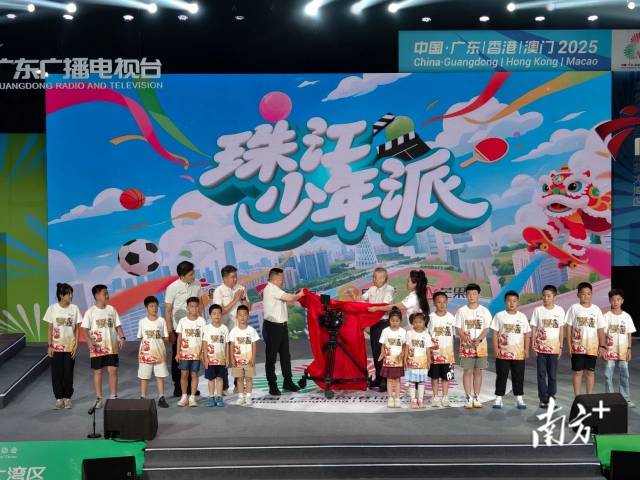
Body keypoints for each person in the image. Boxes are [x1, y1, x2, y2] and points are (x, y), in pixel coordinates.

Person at [164, 261, 207, 397]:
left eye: (193, 273)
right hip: (179, 329)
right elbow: (168, 310)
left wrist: (203, 323)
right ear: (182, 276)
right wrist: (169, 330)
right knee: (179, 358)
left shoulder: (197, 284)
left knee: (194, 355)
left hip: (195, 328)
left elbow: (201, 305)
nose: (193, 276)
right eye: (190, 274)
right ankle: (178, 386)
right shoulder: (172, 288)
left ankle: (191, 387)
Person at [351, 267, 395, 391]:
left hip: (384, 325)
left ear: (384, 278)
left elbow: (385, 305)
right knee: (376, 352)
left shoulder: (389, 289)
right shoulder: (371, 289)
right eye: (373, 277)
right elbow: (362, 300)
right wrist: (355, 297)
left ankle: (386, 380)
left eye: (377, 277)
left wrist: (374, 308)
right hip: (374, 324)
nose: (374, 279)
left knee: (384, 353)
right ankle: (379, 378)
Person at [262, 267, 304, 396]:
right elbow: (290, 298)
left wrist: (297, 299)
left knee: (285, 356)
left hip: (282, 326)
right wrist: (300, 295)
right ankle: (272, 385)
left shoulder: (276, 290)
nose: (283, 280)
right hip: (272, 327)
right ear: (275, 278)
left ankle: (288, 382)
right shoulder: (271, 289)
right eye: (282, 278)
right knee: (271, 357)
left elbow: (288, 301)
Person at [81, 284, 125, 408]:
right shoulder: (90, 312)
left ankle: (113, 396)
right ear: (97, 295)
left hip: (111, 346)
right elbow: (85, 329)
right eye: (104, 293)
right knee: (98, 372)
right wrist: (89, 340)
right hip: (97, 347)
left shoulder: (111, 309)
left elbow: (117, 325)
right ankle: (99, 398)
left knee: (113, 370)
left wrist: (122, 337)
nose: (107, 295)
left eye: (107, 293)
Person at [212, 264, 250, 393]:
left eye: (236, 276)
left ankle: (238, 385)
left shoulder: (241, 288)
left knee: (239, 357)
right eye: (232, 277)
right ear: (224, 278)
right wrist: (235, 299)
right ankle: (223, 387)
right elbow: (219, 311)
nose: (235, 279)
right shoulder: (218, 291)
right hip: (224, 330)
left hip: (239, 329)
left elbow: (248, 308)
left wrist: (243, 299)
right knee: (224, 359)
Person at [491, 290, 531, 410]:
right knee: (501, 375)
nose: (512, 303)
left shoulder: (522, 317)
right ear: (505, 302)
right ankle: (498, 398)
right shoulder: (499, 316)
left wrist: (526, 349)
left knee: (518, 375)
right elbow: (495, 334)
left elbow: (526, 334)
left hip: (518, 353)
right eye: (509, 301)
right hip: (503, 353)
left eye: (514, 301)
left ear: (518, 302)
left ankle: (519, 398)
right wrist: (496, 349)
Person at [43, 283, 81, 410]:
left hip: (70, 347)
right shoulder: (52, 309)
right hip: (56, 347)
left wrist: (76, 345)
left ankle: (67, 398)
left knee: (68, 373)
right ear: (61, 295)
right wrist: (49, 345)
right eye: (68, 293)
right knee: (57, 373)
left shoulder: (74, 309)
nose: (71, 296)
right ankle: (59, 399)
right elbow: (50, 328)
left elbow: (77, 329)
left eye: (71, 293)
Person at [454, 283, 491, 409]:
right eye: (469, 294)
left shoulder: (484, 311)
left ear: (478, 295)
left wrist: (479, 339)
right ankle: (468, 397)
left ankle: (477, 397)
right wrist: (466, 339)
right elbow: (458, 328)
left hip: (481, 346)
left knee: (478, 372)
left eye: (474, 293)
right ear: (466, 295)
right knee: (467, 371)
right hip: (466, 346)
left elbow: (486, 328)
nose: (471, 296)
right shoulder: (461, 311)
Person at [565, 282, 606, 396]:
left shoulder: (596, 309)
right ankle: (577, 397)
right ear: (578, 295)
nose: (586, 296)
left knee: (590, 373)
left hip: (592, 347)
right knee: (578, 372)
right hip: (577, 347)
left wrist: (602, 346)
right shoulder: (574, 308)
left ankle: (589, 396)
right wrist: (569, 345)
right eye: (583, 294)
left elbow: (600, 329)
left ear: (591, 294)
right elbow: (569, 327)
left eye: (588, 293)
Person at [530, 285, 565, 408]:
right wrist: (533, 344)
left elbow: (561, 329)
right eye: (544, 296)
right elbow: (534, 328)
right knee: (541, 374)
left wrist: (561, 346)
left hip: (554, 348)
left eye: (549, 296)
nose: (546, 298)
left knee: (552, 375)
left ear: (554, 297)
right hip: (540, 348)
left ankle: (551, 397)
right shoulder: (538, 310)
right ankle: (543, 398)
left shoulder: (560, 310)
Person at [603, 289, 636, 407]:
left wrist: (629, 349)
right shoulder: (606, 316)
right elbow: (603, 334)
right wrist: (603, 348)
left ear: (622, 301)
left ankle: (625, 398)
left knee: (624, 375)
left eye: (618, 299)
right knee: (608, 375)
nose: (615, 302)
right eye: (613, 300)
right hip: (610, 351)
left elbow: (629, 334)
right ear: (609, 301)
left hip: (623, 351)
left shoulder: (626, 317)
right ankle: (609, 398)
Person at [137, 296, 169, 408]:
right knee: (144, 376)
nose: (154, 308)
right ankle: (142, 397)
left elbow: (165, 337)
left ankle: (161, 397)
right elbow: (140, 337)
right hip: (146, 354)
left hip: (159, 354)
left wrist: (158, 346)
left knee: (160, 376)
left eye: (156, 306)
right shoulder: (142, 322)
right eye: (151, 306)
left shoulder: (161, 321)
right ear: (146, 308)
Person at [175, 297, 206, 407]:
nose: (194, 309)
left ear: (199, 308)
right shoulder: (182, 321)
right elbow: (179, 338)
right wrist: (178, 352)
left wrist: (202, 352)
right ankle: (184, 396)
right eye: (191, 306)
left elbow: (204, 338)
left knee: (194, 374)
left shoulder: (201, 321)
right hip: (184, 353)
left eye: (196, 306)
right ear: (187, 308)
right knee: (184, 374)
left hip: (197, 354)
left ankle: (192, 397)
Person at [428, 291, 456, 408]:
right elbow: (427, 336)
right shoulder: (430, 318)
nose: (442, 304)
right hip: (434, 355)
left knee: (446, 377)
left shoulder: (451, 318)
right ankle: (435, 397)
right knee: (434, 377)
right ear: (434, 303)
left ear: (447, 302)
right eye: (439, 302)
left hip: (448, 355)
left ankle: (445, 397)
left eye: (444, 302)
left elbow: (453, 336)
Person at [229, 305, 260, 405]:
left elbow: (254, 345)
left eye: (244, 315)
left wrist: (253, 358)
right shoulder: (234, 331)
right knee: (239, 379)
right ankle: (241, 397)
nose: (242, 317)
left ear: (248, 316)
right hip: (237, 360)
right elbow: (231, 345)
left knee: (249, 378)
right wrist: (232, 358)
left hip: (249, 360)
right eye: (240, 315)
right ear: (236, 317)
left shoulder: (251, 330)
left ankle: (248, 397)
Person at [378, 307, 406, 408]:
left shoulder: (403, 331)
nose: (394, 323)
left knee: (397, 380)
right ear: (389, 320)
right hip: (388, 360)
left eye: (397, 321)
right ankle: (390, 398)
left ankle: (397, 398)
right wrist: (382, 354)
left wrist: (403, 354)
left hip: (398, 361)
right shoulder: (385, 331)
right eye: (392, 320)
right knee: (389, 380)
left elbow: (404, 345)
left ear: (400, 321)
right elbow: (382, 345)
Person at [203, 304, 229, 407]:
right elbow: (204, 343)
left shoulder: (224, 328)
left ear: (221, 315)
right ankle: (211, 397)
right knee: (211, 379)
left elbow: (226, 344)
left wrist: (227, 358)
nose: (217, 315)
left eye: (219, 313)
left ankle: (219, 396)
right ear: (210, 315)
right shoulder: (207, 328)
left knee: (220, 378)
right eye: (214, 313)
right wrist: (205, 358)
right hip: (210, 359)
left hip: (221, 359)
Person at [405, 312, 432, 409]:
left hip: (422, 362)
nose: (418, 324)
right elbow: (407, 347)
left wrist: (429, 361)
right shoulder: (409, 333)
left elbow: (428, 350)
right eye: (415, 322)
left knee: (421, 382)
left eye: (420, 322)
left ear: (424, 322)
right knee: (412, 381)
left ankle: (420, 400)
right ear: (412, 323)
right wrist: (405, 358)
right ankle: (413, 400)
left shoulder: (427, 335)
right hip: (411, 362)